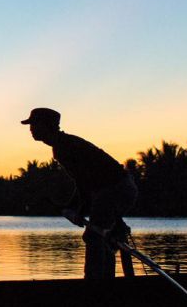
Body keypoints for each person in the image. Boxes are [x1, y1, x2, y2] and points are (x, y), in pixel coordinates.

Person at [23, 107, 137, 280]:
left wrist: (79, 210)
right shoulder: (63, 145)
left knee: (94, 235)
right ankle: (107, 277)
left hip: (115, 189)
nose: (30, 129)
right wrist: (73, 207)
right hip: (115, 189)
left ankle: (94, 281)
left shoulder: (64, 147)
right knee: (106, 235)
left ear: (47, 125)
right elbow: (83, 183)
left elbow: (86, 181)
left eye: (34, 124)